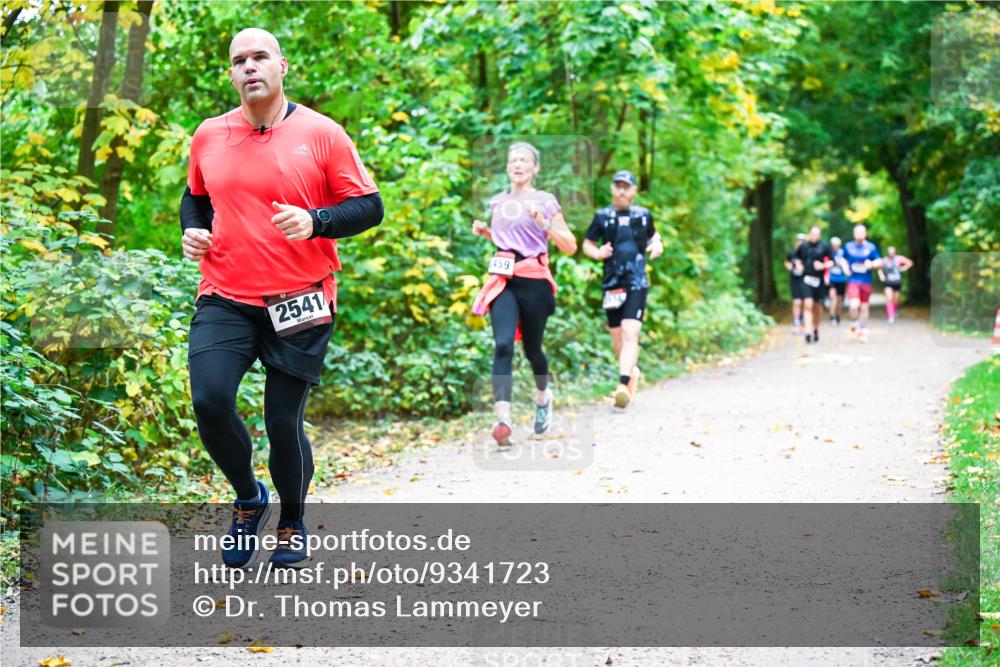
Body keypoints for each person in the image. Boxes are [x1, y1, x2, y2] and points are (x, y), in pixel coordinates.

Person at [180, 28, 383, 568]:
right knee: (209, 400)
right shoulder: (209, 134)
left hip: (301, 296)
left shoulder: (321, 133)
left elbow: (369, 207)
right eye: (239, 60)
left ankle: (292, 520)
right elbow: (195, 198)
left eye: (260, 57)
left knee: (282, 420)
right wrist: (192, 230)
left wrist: (317, 221)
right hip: (225, 293)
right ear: (231, 74)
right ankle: (249, 498)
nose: (250, 67)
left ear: (282, 66)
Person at [471, 142, 577, 446]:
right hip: (503, 280)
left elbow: (570, 245)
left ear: (535, 168)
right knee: (503, 344)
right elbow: (509, 239)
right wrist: (488, 234)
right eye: (513, 160)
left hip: (534, 280)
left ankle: (543, 396)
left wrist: (544, 223)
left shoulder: (545, 201)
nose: (517, 164)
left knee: (533, 350)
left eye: (523, 160)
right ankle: (503, 419)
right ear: (507, 167)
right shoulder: (498, 202)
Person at [582, 170, 662, 408]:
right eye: (618, 186)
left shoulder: (643, 215)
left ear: (634, 190)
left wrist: (657, 244)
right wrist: (598, 253)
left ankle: (622, 385)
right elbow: (587, 243)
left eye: (626, 187)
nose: (622, 191)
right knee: (617, 339)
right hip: (612, 283)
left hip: (636, 281)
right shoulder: (603, 216)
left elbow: (653, 236)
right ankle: (631, 374)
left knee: (630, 332)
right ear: (612, 189)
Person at [840, 224, 882, 343]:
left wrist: (872, 264)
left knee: (864, 306)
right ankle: (854, 322)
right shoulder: (848, 246)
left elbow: (879, 261)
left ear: (865, 234)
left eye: (862, 232)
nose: (859, 235)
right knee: (854, 305)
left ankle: (863, 330)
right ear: (854, 234)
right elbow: (842, 259)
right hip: (853, 280)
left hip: (866, 281)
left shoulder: (871, 247)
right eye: (857, 232)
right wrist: (845, 267)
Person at [794, 225, 832, 344]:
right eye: (813, 234)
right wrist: (799, 265)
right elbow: (796, 257)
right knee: (807, 304)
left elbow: (832, 261)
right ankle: (808, 330)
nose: (815, 236)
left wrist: (823, 266)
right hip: (806, 279)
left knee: (817, 307)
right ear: (809, 234)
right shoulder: (804, 246)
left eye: (817, 234)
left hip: (818, 281)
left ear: (820, 235)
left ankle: (815, 329)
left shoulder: (824, 246)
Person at [877, 246, 913, 324]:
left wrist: (904, 268)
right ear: (888, 252)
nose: (891, 253)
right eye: (890, 252)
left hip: (897, 282)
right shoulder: (884, 260)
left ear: (895, 252)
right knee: (889, 298)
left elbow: (910, 263)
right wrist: (881, 276)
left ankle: (894, 310)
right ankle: (891, 316)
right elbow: (879, 268)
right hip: (888, 282)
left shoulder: (899, 259)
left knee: (895, 300)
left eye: (893, 252)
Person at [783, 234, 807, 333]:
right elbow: (786, 262)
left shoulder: (807, 253)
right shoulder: (792, 253)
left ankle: (804, 322)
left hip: (805, 281)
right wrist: (789, 266)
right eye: (799, 240)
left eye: (802, 241)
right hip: (795, 280)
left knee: (805, 302)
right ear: (796, 241)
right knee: (797, 302)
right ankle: (797, 323)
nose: (800, 242)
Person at [826, 236, 847, 325]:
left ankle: (838, 315)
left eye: (836, 244)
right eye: (833, 244)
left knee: (839, 300)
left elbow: (847, 264)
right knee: (833, 297)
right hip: (832, 279)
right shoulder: (829, 253)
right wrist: (826, 276)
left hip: (842, 279)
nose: (835, 246)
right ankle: (832, 316)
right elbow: (826, 265)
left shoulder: (843, 253)